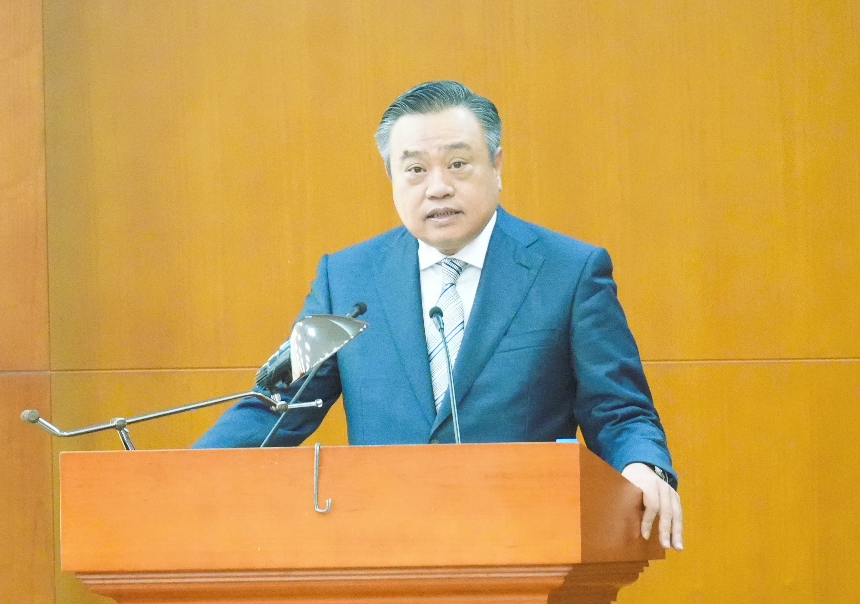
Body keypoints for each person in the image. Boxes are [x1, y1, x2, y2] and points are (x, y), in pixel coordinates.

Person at [193, 80, 683, 551]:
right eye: (415, 169)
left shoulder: (569, 271)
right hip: (382, 547)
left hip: (528, 542)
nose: (439, 187)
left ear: (496, 165)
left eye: (458, 164)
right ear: (391, 177)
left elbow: (618, 410)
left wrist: (643, 464)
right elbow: (280, 406)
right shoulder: (346, 278)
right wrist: (187, 478)